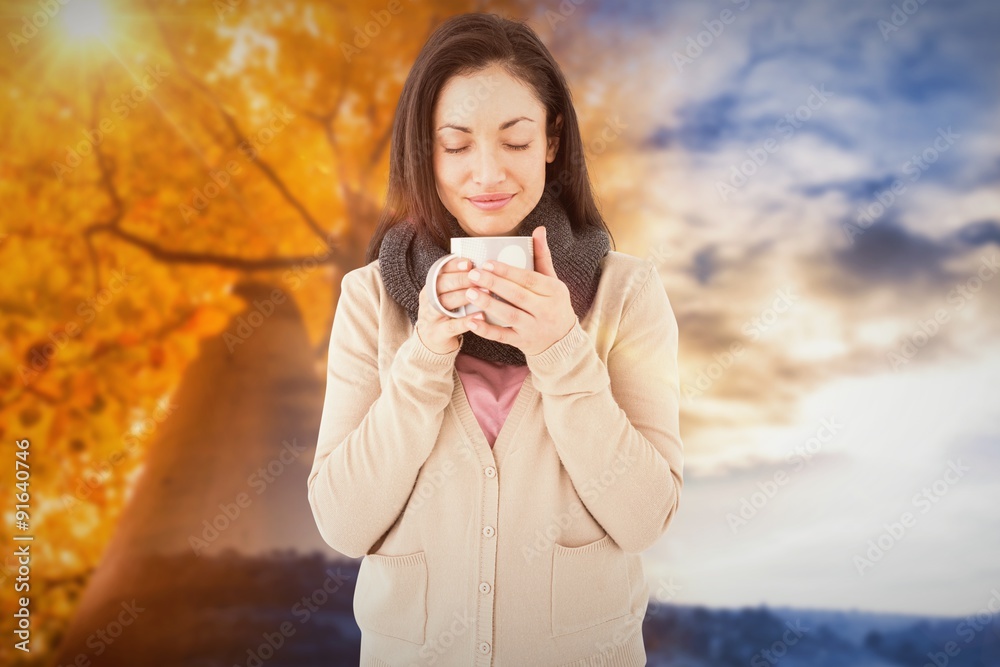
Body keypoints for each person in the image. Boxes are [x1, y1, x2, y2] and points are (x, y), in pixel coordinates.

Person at [307, 12, 683, 666]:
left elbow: (646, 516)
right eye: (456, 144)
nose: (487, 174)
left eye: (515, 140)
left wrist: (563, 351)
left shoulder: (627, 293)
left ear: (552, 140)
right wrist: (424, 356)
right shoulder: (370, 299)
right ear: (425, 148)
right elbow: (343, 523)